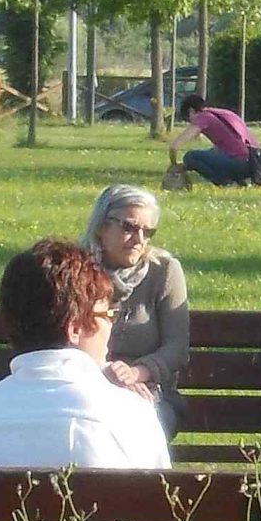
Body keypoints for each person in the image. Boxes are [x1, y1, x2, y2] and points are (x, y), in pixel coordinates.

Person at [0, 238, 173, 469]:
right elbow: (163, 501)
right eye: (106, 315)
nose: (110, 327)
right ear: (75, 328)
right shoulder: (129, 413)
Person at [81, 184, 191, 438]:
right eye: (129, 228)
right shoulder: (78, 270)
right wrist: (103, 371)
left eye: (147, 231)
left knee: (143, 424)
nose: (139, 240)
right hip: (85, 385)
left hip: (149, 389)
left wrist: (136, 373)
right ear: (101, 226)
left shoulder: (163, 270)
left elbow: (177, 347)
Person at [170, 94, 261, 187]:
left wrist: (174, 165)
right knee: (213, 151)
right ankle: (240, 182)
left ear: (191, 111)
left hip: (239, 163)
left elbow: (174, 146)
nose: (190, 123)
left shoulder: (203, 117)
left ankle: (226, 182)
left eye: (188, 119)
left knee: (190, 157)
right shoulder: (223, 113)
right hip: (254, 163)